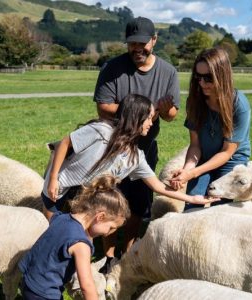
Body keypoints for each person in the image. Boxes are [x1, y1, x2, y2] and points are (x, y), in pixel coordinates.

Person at [42, 94, 216, 220]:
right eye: (148, 118)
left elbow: (158, 187)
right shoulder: (102, 131)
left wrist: (192, 198)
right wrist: (53, 179)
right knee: (52, 235)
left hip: (85, 201)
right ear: (136, 118)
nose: (151, 123)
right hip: (59, 191)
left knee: (71, 240)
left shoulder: (135, 157)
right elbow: (65, 143)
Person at [93, 16, 181, 259]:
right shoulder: (113, 68)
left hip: (145, 146)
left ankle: (127, 252)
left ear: (154, 40)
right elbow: (103, 107)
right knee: (108, 200)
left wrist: (164, 109)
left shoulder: (168, 72)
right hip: (113, 146)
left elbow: (172, 115)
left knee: (139, 204)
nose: (137, 49)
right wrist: (146, 110)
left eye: (143, 43)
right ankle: (108, 256)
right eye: (132, 43)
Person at [19, 175, 130, 300]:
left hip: (28, 282)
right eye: (110, 227)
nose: (107, 233)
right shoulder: (81, 245)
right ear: (100, 217)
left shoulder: (61, 218)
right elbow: (87, 286)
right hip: (45, 293)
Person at [171, 47, 251, 210]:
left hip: (231, 160)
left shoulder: (239, 105)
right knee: (193, 204)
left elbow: (227, 152)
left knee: (220, 210)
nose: (201, 83)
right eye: (198, 77)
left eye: (208, 78)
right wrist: (187, 170)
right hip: (204, 155)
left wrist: (193, 173)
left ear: (222, 76)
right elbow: (195, 145)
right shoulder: (194, 101)